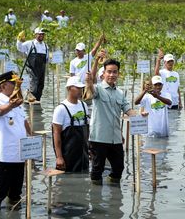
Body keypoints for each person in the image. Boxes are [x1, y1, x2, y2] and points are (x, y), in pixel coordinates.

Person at [87, 52, 147, 184]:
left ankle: (114, 194)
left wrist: (139, 116)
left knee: (119, 167)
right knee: (97, 169)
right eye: (109, 72)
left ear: (118, 74)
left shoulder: (120, 93)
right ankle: (95, 198)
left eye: (114, 72)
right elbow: (90, 85)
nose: (112, 75)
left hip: (115, 138)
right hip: (99, 137)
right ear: (103, 73)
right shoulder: (98, 89)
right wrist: (96, 61)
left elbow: (128, 109)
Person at [0, 71, 31, 209]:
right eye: (13, 83)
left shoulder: (18, 104)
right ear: (3, 86)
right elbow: (0, 111)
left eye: (16, 83)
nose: (16, 86)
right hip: (4, 158)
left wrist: (32, 136)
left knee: (16, 195)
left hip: (19, 157)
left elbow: (24, 121)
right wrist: (11, 105)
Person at [52, 76, 89, 172]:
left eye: (81, 88)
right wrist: (59, 157)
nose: (80, 90)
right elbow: (56, 134)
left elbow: (87, 132)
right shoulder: (60, 109)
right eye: (77, 88)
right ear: (69, 88)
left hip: (84, 155)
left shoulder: (84, 105)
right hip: (68, 154)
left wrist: (90, 150)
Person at [16, 27, 49, 101]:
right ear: (35, 35)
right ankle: (30, 102)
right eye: (39, 34)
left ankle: (37, 101)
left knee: (41, 86)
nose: (41, 36)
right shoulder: (30, 43)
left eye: (42, 34)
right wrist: (19, 39)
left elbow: (47, 59)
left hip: (41, 70)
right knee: (34, 86)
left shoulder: (46, 46)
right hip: (32, 69)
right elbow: (20, 48)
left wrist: (50, 57)